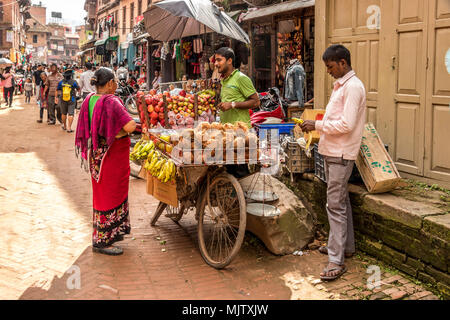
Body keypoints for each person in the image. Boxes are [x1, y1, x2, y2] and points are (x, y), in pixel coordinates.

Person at [300, 44, 366, 281]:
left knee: (335, 206)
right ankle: (344, 247)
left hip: (341, 154)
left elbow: (346, 125)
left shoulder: (354, 87)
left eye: (330, 67)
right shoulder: (342, 86)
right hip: (333, 152)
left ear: (342, 63)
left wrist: (316, 125)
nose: (328, 71)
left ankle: (336, 261)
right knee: (341, 202)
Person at [75, 67, 136, 255]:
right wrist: (123, 130)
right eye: (116, 81)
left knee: (102, 196)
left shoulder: (89, 100)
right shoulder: (112, 102)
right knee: (111, 196)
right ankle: (103, 242)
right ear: (109, 83)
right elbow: (130, 126)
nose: (117, 85)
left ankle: (106, 235)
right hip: (111, 158)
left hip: (97, 157)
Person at [214, 47, 260, 128]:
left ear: (229, 61)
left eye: (219, 60)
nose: (215, 64)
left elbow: (256, 102)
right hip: (227, 129)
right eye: (215, 60)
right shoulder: (223, 79)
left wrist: (232, 104)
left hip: (241, 131)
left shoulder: (240, 78)